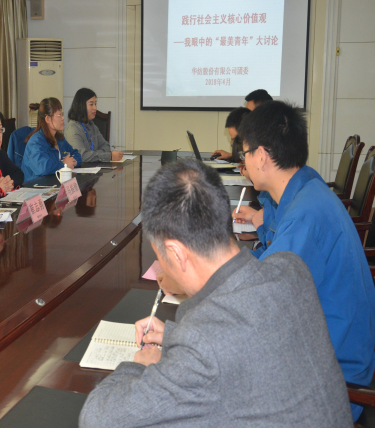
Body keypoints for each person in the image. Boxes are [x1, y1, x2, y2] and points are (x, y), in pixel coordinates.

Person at [79, 159, 352, 427]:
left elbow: (96, 418)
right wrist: (175, 336)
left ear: (176, 253)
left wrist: (140, 365)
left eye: (160, 256)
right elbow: (245, 341)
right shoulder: (290, 268)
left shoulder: (203, 343)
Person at [232, 101, 375, 422]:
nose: (244, 162)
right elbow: (270, 261)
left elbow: (261, 306)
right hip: (327, 350)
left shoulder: (305, 216)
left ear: (261, 156)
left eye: (245, 154)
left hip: (332, 380)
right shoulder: (305, 188)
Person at [21, 97, 82, 182]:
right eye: (59, 115)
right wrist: (64, 165)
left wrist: (73, 161)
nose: (63, 118)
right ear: (47, 119)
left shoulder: (59, 138)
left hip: (56, 183)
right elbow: (43, 168)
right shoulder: (35, 142)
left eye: (62, 114)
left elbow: (76, 154)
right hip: (37, 186)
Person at [64, 88, 122, 162]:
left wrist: (92, 155)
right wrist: (107, 156)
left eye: (95, 104)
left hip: (94, 167)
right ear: (81, 106)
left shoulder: (92, 125)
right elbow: (81, 156)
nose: (95, 108)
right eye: (91, 104)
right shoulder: (73, 128)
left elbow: (106, 146)